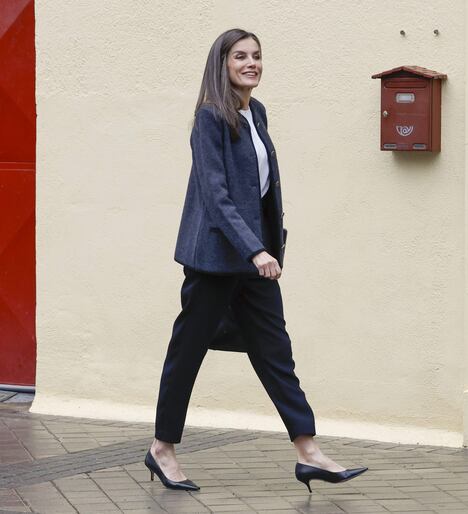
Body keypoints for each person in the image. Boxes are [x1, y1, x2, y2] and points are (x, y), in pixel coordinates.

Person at [144, 28, 367, 493]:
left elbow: (262, 189)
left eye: (257, 56)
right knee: (187, 354)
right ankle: (162, 449)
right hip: (216, 260)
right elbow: (217, 194)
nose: (252, 63)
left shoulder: (256, 113)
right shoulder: (210, 118)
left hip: (256, 260)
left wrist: (267, 245)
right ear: (221, 64)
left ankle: (308, 451)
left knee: (275, 352)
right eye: (240, 56)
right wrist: (255, 248)